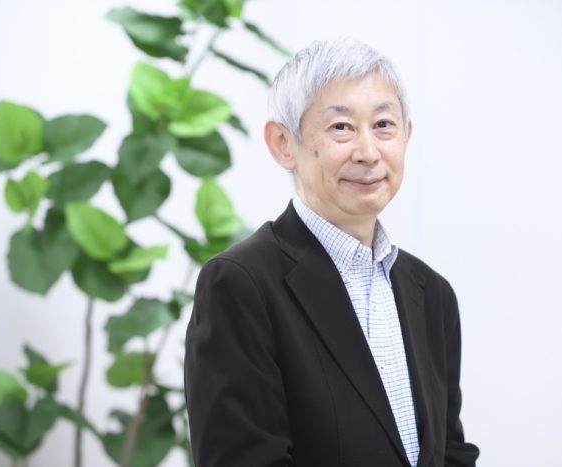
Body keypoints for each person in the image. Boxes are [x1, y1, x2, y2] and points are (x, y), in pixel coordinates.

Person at [184, 38, 479, 467]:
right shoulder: (240, 284)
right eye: (341, 127)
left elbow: (450, 450)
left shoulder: (431, 293)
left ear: (407, 135)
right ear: (283, 144)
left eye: (383, 125)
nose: (368, 152)